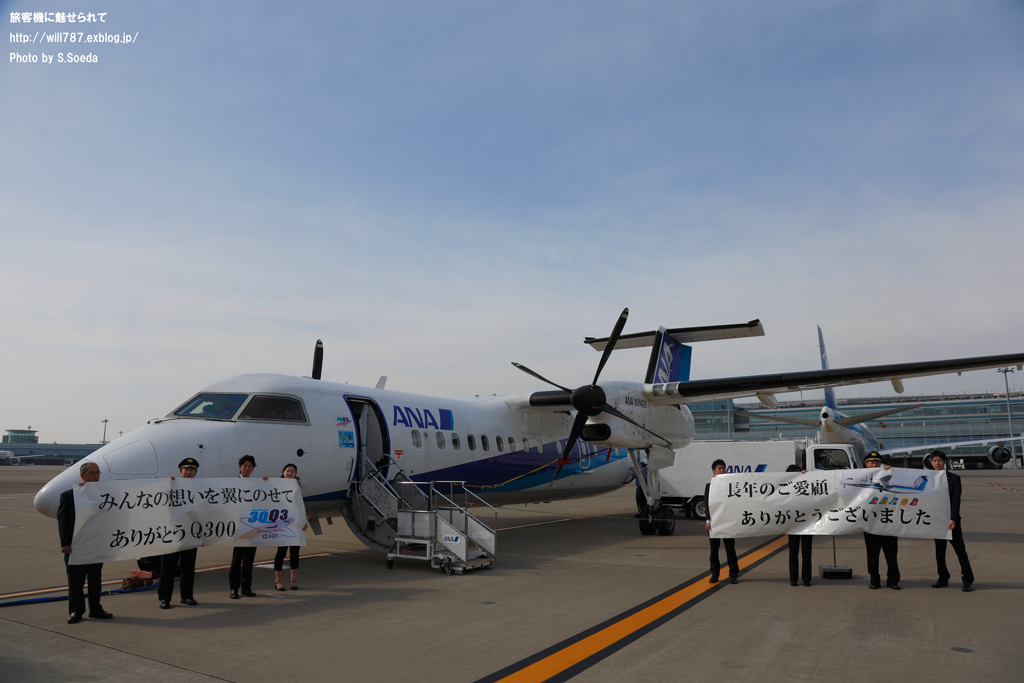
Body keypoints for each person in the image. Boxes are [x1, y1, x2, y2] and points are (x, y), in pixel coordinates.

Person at [58, 462, 113, 623]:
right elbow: (63, 522)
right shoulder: (70, 495)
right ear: (82, 476)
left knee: (95, 580)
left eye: (97, 472)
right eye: (91, 473)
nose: (95, 476)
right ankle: (76, 610)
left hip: (95, 545)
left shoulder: (103, 494)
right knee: (76, 581)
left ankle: (96, 609)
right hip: (76, 546)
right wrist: (65, 543)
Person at [158, 458, 202, 609]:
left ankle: (187, 596)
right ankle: (164, 598)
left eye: (192, 470)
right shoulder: (170, 486)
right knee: (167, 569)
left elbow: (206, 513)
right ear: (180, 472)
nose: (188, 472)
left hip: (191, 533)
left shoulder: (200, 488)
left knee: (188, 568)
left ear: (196, 473)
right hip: (172, 534)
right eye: (186, 469)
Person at [929, 450, 974, 592]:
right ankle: (942, 577)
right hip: (937, 521)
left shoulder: (954, 478)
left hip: (951, 521)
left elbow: (956, 500)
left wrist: (953, 518)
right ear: (931, 462)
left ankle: (967, 579)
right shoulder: (928, 478)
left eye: (939, 460)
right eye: (934, 461)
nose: (937, 463)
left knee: (960, 550)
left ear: (945, 462)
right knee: (939, 552)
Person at [862, 451, 900, 590]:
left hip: (889, 521)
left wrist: (890, 471)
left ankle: (893, 580)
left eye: (877, 462)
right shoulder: (860, 477)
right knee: (872, 555)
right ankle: (874, 579)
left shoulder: (888, 474)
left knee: (891, 555)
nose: (874, 464)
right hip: (871, 524)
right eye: (871, 462)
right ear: (866, 464)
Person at [273, 463, 307, 591]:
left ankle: (293, 579)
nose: (289, 473)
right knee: (281, 552)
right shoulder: (276, 484)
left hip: (295, 522)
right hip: (281, 522)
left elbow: (300, 505)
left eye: (292, 471)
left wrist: (304, 520)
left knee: (294, 553)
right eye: (287, 471)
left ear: (295, 474)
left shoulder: (296, 486)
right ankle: (278, 580)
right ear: (283, 472)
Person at [229, 455, 260, 599]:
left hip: (253, 525)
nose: (247, 468)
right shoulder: (233, 483)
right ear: (239, 468)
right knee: (237, 560)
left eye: (250, 466)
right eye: (244, 466)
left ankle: (246, 587)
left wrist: (267, 482)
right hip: (238, 526)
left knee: (249, 560)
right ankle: (233, 588)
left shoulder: (258, 484)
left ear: (253, 469)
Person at [705, 459, 739, 584]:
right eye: (719, 468)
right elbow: (707, 503)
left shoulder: (730, 484)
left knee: (730, 549)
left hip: (727, 522)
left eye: (723, 468)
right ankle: (714, 574)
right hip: (714, 523)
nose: (721, 470)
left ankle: (733, 574)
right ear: (714, 470)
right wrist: (708, 520)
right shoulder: (710, 486)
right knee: (714, 550)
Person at [785, 464, 812, 587]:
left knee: (807, 554)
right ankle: (793, 579)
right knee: (793, 554)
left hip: (807, 524)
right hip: (793, 525)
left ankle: (806, 579)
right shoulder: (785, 490)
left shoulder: (807, 486)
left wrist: (808, 476)